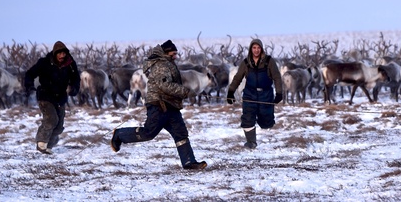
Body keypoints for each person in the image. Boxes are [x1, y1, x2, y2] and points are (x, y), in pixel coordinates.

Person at [110, 40, 207, 170]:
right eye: (174, 53)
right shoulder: (161, 65)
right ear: (166, 53)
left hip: (170, 105)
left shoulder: (168, 63)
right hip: (159, 106)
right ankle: (119, 135)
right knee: (148, 133)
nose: (176, 56)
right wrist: (186, 92)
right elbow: (164, 85)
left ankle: (189, 162)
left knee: (181, 134)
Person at [24, 41, 81, 154]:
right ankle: (41, 143)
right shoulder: (44, 63)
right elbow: (30, 74)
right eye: (59, 54)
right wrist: (29, 85)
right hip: (45, 95)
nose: (62, 56)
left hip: (60, 97)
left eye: (64, 53)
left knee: (59, 126)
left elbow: (76, 78)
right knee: (51, 119)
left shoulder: (70, 64)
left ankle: (48, 146)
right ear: (55, 53)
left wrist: (74, 88)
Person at [226, 38, 283, 149]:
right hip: (249, 94)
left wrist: (279, 93)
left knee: (266, 122)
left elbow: (277, 77)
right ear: (251, 49)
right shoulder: (246, 63)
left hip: (265, 94)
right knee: (247, 118)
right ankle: (251, 142)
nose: (256, 50)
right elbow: (238, 78)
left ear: (261, 49)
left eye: (258, 48)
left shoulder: (269, 61)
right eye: (254, 48)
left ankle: (265, 124)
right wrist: (230, 92)